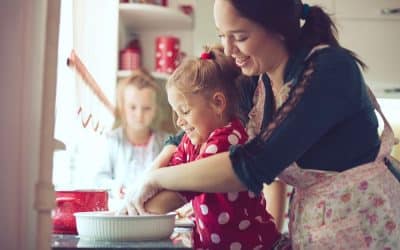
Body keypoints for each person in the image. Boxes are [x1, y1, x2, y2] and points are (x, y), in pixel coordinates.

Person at [124, 1, 400, 249]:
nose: (230, 50)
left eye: (240, 37)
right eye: (223, 35)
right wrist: (145, 183)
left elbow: (254, 164)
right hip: (318, 226)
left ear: (277, 29)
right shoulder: (256, 81)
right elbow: (187, 135)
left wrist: (156, 179)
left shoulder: (329, 70)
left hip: (368, 223)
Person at [122, 46, 282, 249]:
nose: (179, 122)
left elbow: (184, 186)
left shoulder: (228, 139)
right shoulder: (193, 140)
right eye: (176, 113)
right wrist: (139, 195)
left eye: (185, 111)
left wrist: (134, 210)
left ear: (217, 103)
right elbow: (173, 169)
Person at [93, 69, 170, 200]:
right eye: (133, 107)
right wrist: (114, 187)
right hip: (121, 210)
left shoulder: (167, 142)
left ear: (155, 109)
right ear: (123, 107)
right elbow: (99, 178)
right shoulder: (112, 140)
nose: (139, 115)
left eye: (146, 108)